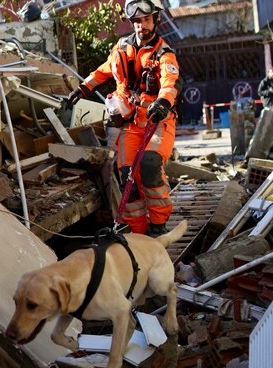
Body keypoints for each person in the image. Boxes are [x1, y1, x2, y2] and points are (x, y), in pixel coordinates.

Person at [67, 0, 180, 237]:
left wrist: (162, 102)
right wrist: (82, 89)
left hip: (157, 123)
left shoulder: (164, 54)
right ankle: (136, 231)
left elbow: (170, 83)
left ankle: (158, 226)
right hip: (130, 125)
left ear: (156, 19)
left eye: (146, 20)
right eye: (137, 22)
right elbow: (104, 70)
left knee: (149, 166)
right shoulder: (122, 48)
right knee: (127, 175)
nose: (141, 26)